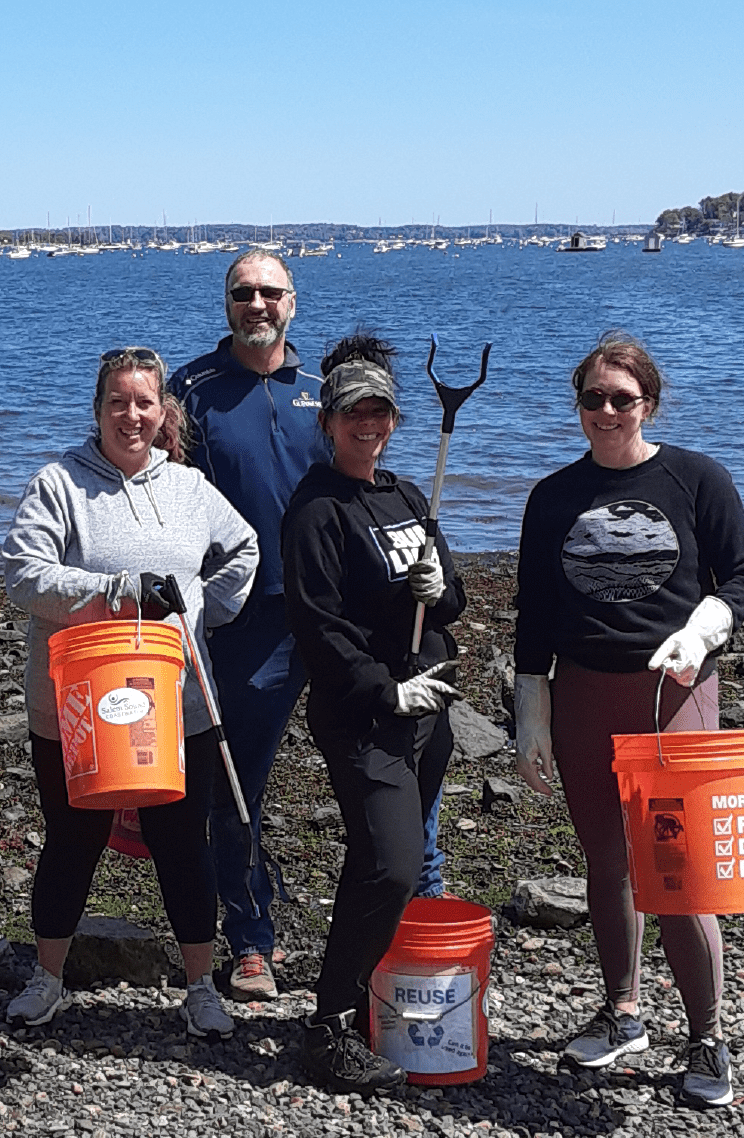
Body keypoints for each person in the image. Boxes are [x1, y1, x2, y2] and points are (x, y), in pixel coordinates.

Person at [513, 332, 744, 1109]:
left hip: (675, 697)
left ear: (648, 402)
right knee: (607, 861)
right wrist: (532, 717)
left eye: (624, 398)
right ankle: (622, 1010)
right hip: (586, 694)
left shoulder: (696, 478)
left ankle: (707, 1034)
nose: (609, 411)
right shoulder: (553, 496)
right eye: (594, 398)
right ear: (579, 406)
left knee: (684, 876)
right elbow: (534, 620)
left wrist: (705, 627)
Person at [0, 346, 259, 1037]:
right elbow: (22, 575)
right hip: (78, 708)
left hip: (179, 703)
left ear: (164, 411)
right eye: (118, 402)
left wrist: (206, 612)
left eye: (145, 402)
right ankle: (47, 977)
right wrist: (111, 592)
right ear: (98, 409)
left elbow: (245, 549)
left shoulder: (189, 488)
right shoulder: (60, 483)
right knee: (73, 840)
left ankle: (201, 985)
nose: (132, 415)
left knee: (183, 845)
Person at [281, 335, 466, 1092]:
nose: (369, 423)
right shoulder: (316, 510)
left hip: (429, 710)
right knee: (390, 867)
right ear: (328, 420)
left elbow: (450, 600)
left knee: (377, 862)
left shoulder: (406, 495)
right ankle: (327, 1027)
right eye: (355, 410)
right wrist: (384, 691)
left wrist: (436, 585)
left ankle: (353, 1008)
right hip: (367, 718)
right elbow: (318, 626)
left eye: (381, 411)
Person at [166, 251, 328, 999]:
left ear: (293, 301)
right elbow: (161, 492)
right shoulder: (193, 391)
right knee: (237, 787)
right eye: (243, 293)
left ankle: (393, 924)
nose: (256, 304)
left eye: (269, 292)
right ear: (226, 303)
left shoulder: (327, 389)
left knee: (380, 769)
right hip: (242, 620)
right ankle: (250, 940)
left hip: (332, 616)